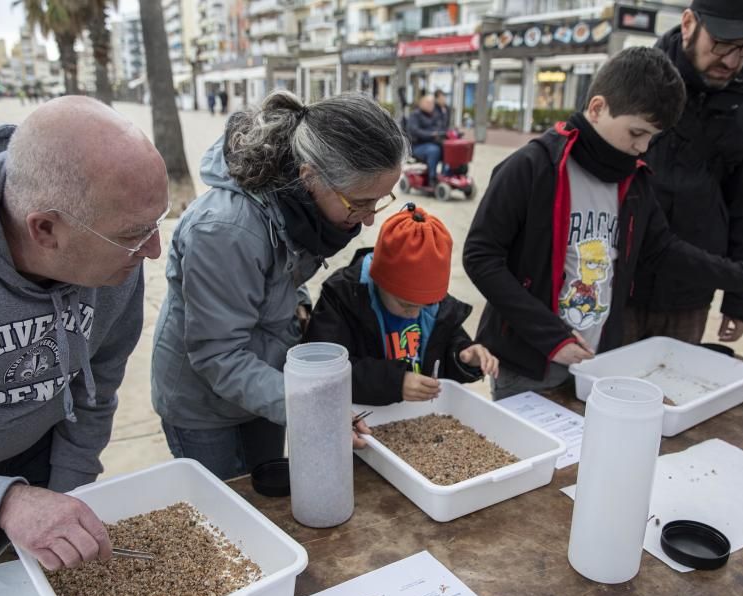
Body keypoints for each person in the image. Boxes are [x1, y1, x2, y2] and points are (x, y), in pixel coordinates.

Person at [0, 96, 168, 568]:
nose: (154, 251)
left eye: (155, 225)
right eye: (133, 235)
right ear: (44, 229)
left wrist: (69, 486)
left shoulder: (116, 258)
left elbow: (96, 385)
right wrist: (1, 504)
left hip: (40, 461)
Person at [463, 47, 743, 400]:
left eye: (651, 138)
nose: (642, 147)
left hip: (598, 361)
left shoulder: (635, 181)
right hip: (526, 363)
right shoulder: (531, 167)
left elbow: (664, 250)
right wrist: (551, 338)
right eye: (636, 133)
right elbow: (480, 257)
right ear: (597, 108)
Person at [151, 90, 407, 479]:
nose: (370, 219)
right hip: (202, 405)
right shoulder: (225, 231)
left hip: (266, 381)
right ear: (309, 178)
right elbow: (217, 353)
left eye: (381, 199)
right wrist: (313, 408)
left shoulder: (300, 208)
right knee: (227, 512)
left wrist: (299, 304)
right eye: (360, 202)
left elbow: (281, 273)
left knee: (267, 486)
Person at [626, 0, 743, 345]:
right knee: (597, 392)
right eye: (722, 44)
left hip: (690, 295)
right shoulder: (634, 82)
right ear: (689, 23)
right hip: (615, 282)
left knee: (673, 389)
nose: (731, 61)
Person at [304, 204, 498, 405]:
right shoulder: (343, 297)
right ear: (378, 281)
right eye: (406, 305)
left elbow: (444, 348)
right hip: (360, 418)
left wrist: (463, 355)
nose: (415, 314)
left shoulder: (434, 303)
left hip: (416, 419)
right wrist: (395, 383)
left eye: (425, 305)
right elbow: (324, 371)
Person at [406, 95, 444, 187]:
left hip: (433, 143)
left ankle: (446, 175)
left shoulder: (435, 115)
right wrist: (431, 135)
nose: (431, 105)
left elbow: (440, 128)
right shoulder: (415, 115)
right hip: (418, 146)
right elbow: (415, 131)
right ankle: (432, 178)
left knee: (448, 148)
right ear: (421, 103)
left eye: (432, 103)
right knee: (434, 150)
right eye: (428, 103)